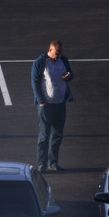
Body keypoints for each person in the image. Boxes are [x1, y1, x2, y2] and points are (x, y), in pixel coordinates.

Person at [31, 40, 74, 172]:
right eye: (56, 53)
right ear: (50, 50)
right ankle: (42, 163)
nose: (58, 56)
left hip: (60, 103)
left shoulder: (63, 60)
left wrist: (69, 76)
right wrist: (41, 100)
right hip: (46, 105)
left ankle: (53, 162)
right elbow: (35, 82)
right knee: (44, 135)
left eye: (60, 53)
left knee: (57, 135)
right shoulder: (40, 63)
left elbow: (71, 75)